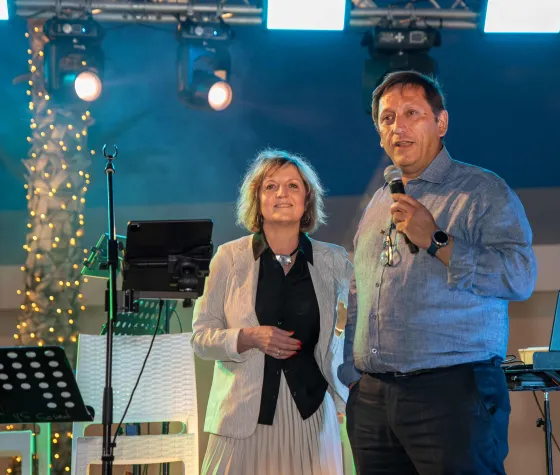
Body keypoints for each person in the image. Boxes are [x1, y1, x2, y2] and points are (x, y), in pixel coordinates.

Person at [338, 71, 537, 475]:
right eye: (388, 118)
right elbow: (360, 292)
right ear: (379, 135)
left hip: (452, 394)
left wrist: (437, 240)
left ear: (441, 122)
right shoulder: (378, 203)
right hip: (374, 400)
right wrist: (354, 376)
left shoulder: (482, 191)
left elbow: (519, 277)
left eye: (412, 113)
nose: (399, 126)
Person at [191, 149, 352, 475]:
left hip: (313, 418)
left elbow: (356, 328)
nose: (282, 193)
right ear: (257, 198)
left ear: (307, 199)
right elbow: (201, 338)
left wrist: (344, 391)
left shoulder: (334, 260)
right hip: (241, 418)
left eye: (293, 186)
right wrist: (247, 337)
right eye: (271, 186)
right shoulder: (228, 258)